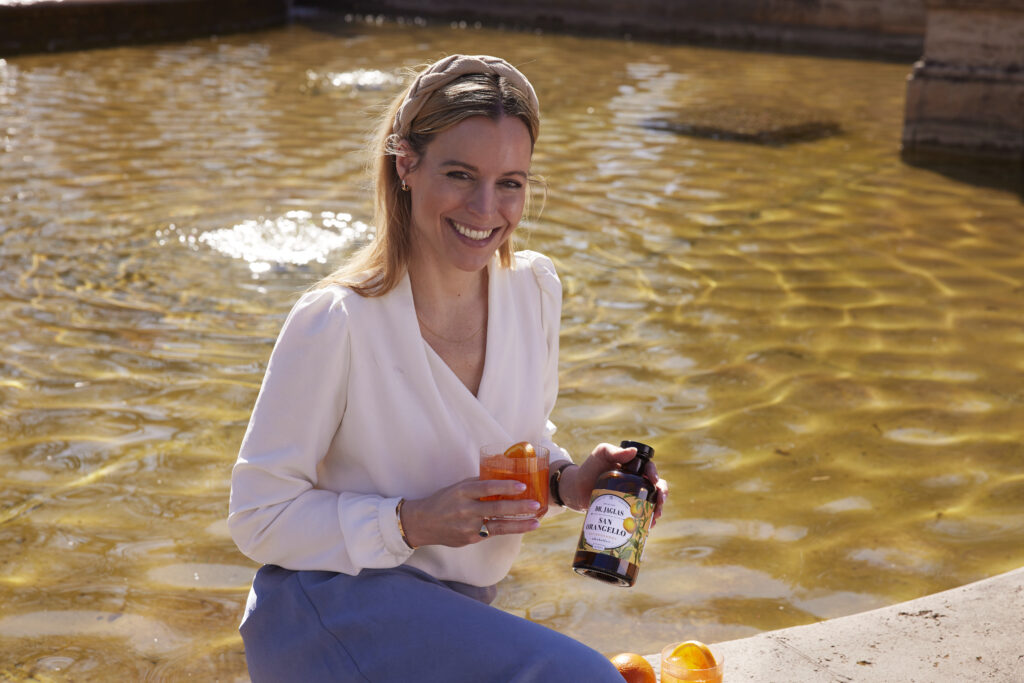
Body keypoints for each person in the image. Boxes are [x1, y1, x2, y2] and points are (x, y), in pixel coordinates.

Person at [228, 54, 667, 682]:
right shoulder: (336, 320)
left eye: (510, 182)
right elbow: (258, 517)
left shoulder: (535, 290)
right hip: (328, 611)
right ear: (406, 164)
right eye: (460, 174)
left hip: (455, 614)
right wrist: (409, 522)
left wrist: (567, 483)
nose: (485, 208)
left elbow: (512, 442)